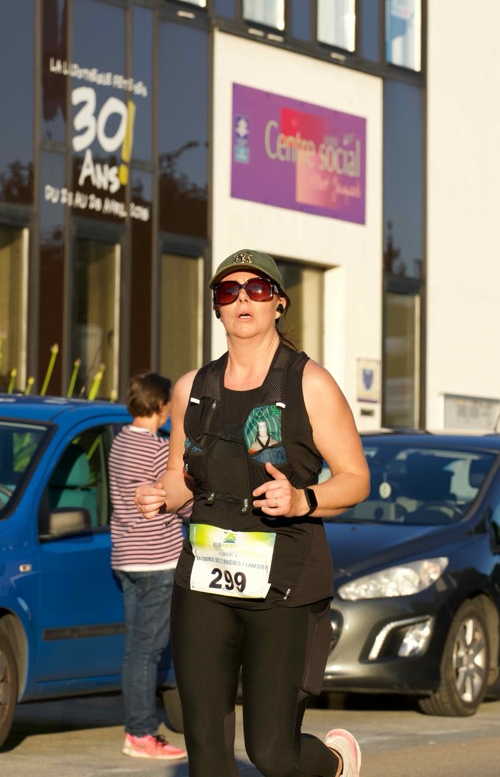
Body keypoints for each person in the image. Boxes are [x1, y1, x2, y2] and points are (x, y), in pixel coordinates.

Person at [136, 249, 369, 777]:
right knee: (206, 748)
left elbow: (356, 478)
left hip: (284, 583)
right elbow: (182, 476)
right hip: (205, 577)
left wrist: (303, 499)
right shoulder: (191, 388)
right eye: (229, 290)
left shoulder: (309, 383)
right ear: (217, 308)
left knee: (272, 753)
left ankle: (333, 764)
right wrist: (160, 495)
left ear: (278, 303)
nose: (243, 298)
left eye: (257, 289)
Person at [109, 372, 188, 760]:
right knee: (148, 650)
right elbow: (182, 501)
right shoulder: (159, 450)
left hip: (125, 558)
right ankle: (140, 732)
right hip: (158, 560)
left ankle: (136, 729)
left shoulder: (118, 443)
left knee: (135, 649)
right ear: (160, 405)